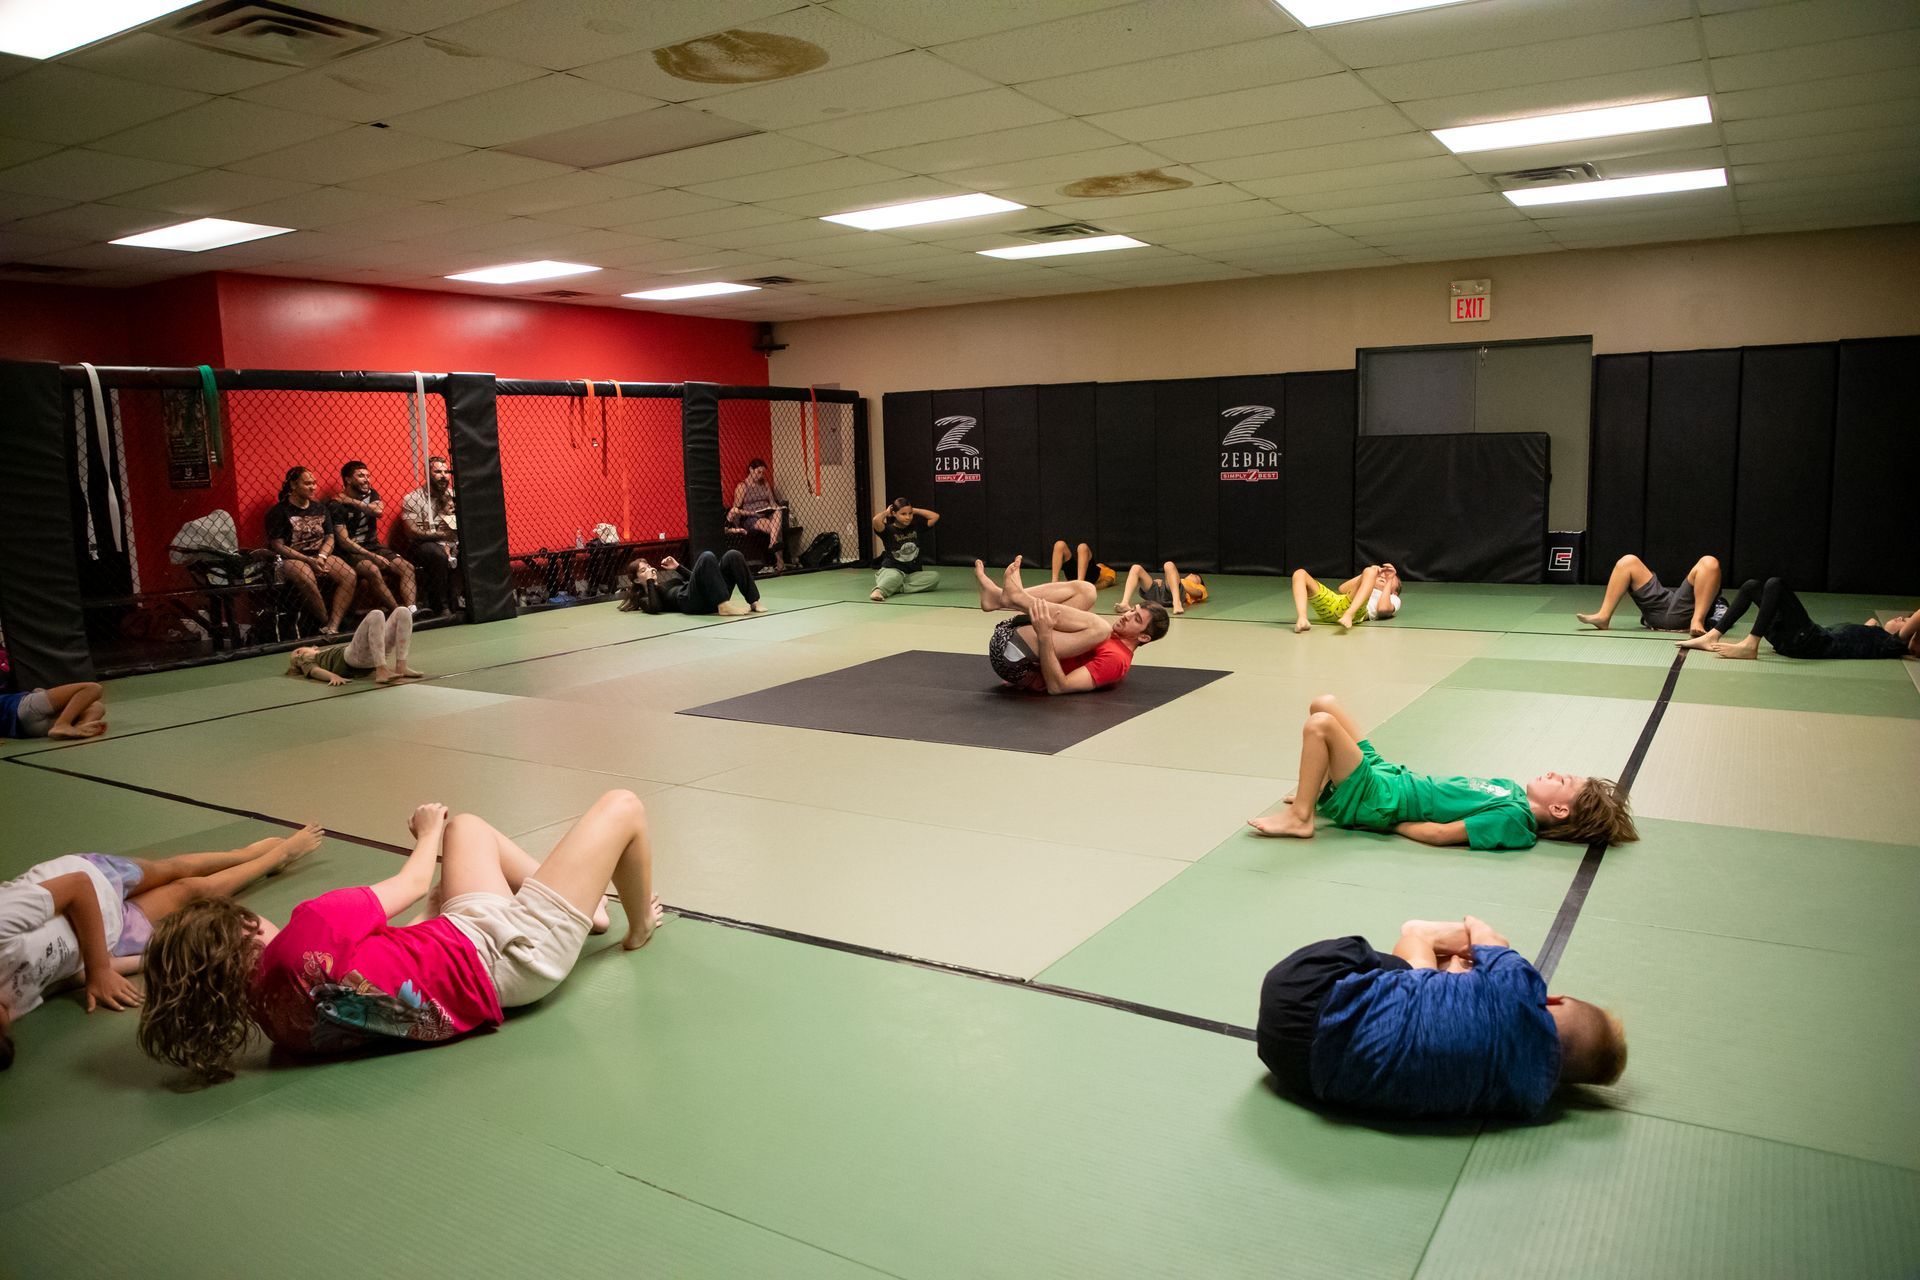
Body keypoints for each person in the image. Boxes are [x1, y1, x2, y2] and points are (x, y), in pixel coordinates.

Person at [138, 790, 661, 1084]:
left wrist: (428, 923)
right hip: (510, 953)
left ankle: (581, 912)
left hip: (464, 941)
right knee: (623, 806)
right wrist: (427, 828)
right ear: (246, 926)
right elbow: (413, 883)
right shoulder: (307, 931)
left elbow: (380, 986)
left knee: (471, 829)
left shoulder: (277, 1022)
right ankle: (635, 928)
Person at [0, 825, 319, 1070]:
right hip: (110, 939)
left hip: (92, 881)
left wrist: (98, 971)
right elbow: (61, 979)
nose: (8, 1015)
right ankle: (276, 858)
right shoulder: (10, 1010)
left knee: (173, 869)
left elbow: (77, 886)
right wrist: (149, 956)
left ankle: (245, 854)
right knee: (192, 890)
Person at [1256, 916, 1626, 1119]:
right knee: (1451, 1032)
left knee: (1377, 959)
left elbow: (1487, 932)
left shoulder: (1520, 985)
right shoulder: (1525, 1099)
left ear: (1553, 999)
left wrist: (1480, 942)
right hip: (1303, 1073)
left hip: (1299, 992)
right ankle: (1450, 978)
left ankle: (1426, 940)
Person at [1247, 694, 1637, 849]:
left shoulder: (1515, 821)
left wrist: (1387, 823)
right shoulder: (1510, 790)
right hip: (1393, 778)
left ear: (1560, 811)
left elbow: (1440, 834)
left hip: (1386, 800)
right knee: (1324, 703)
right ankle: (1315, 793)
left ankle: (1301, 816)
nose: (1554, 773)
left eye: (1562, 782)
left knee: (1321, 725)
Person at [976, 557, 1167, 695]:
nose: (1127, 616)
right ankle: (1002, 598)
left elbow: (1059, 687)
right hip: (1012, 632)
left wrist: (1044, 636)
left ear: (1143, 637)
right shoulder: (1110, 635)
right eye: (1132, 610)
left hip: (1014, 660)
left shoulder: (1117, 660)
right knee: (1087, 591)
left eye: (1137, 619)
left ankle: (1015, 599)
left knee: (1100, 628)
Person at [1677, 579, 1920, 661]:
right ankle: (1713, 635)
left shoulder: (1893, 643)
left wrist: (1905, 630)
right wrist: (1870, 626)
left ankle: (1751, 644)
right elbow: (1858, 636)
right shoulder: (1877, 638)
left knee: (1776, 584)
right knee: (1752, 586)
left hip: (1812, 641)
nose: (1900, 617)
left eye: (1904, 620)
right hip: (1799, 639)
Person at [267, 465, 357, 634]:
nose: (313, 487)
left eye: (314, 483)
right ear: (293, 486)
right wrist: (308, 560)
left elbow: (330, 537)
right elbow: (278, 545)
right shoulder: (279, 511)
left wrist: (322, 556)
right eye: (308, 484)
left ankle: (334, 626)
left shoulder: (320, 508)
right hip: (291, 558)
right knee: (306, 577)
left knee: (349, 575)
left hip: (319, 554)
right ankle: (325, 622)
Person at [331, 460, 416, 615]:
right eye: (361, 476)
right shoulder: (336, 505)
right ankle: (398, 612)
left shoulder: (370, 493)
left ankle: (412, 610)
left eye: (368, 476)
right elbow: (344, 542)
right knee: (372, 569)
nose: (367, 479)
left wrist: (352, 501)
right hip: (351, 551)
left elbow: (378, 512)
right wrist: (372, 556)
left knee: (407, 567)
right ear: (348, 480)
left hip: (373, 545)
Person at [1576, 552, 1726, 635]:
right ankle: (1603, 616)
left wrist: (1698, 618)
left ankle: (1697, 621)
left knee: (1709, 562)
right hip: (1658, 612)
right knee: (1628, 561)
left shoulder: (1717, 604)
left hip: (1688, 615)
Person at [287, 608, 424, 685]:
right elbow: (315, 671)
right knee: (376, 614)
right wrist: (332, 676)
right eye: (296, 656)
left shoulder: (322, 652)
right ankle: (382, 670)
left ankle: (401, 666)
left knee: (403, 611)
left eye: (298, 652)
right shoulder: (308, 659)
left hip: (373, 655)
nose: (299, 654)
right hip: (353, 659)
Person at [620, 551, 765, 617]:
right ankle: (724, 606)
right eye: (643, 570)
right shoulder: (645, 597)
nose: (650, 570)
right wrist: (650, 581)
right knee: (706, 556)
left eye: (649, 566)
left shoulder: (668, 583)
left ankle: (754, 601)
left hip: (709, 597)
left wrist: (678, 567)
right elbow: (655, 607)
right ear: (637, 580)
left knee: (733, 556)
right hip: (691, 602)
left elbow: (702, 577)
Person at [401, 455, 460, 617]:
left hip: (453, 540)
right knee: (436, 554)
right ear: (428, 474)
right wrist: (440, 534)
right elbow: (411, 531)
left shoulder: (455, 495)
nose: (443, 475)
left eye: (446, 471)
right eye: (437, 471)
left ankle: (464, 600)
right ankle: (442, 607)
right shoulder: (412, 498)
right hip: (422, 544)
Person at [1289, 563, 1401, 633]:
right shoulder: (1367, 582)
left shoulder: (1393, 598)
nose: (1384, 576)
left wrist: (1389, 580)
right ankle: (1302, 618)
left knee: (1369, 571)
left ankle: (1349, 614)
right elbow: (1342, 589)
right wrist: (1367, 574)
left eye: (1390, 578)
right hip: (1337, 602)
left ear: (1395, 592)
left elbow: (1383, 609)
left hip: (1357, 612)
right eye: (1382, 575)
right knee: (1300, 573)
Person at [870, 498, 941, 602]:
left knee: (934, 577)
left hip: (911, 574)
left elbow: (935, 516)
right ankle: (879, 590)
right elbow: (876, 520)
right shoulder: (887, 530)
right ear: (894, 513)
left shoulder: (916, 527)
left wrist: (914, 510)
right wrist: (886, 512)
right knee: (895, 577)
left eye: (910, 514)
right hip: (892, 569)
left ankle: (895, 587)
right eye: (903, 514)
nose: (908, 517)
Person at [727, 458, 787, 573]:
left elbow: (772, 502)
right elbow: (736, 507)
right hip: (752, 517)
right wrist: (735, 523)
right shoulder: (742, 486)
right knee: (775, 528)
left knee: (778, 513)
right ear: (751, 470)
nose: (761, 475)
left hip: (767, 513)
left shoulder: (765, 483)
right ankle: (780, 561)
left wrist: (776, 507)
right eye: (758, 472)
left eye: (763, 472)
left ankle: (772, 542)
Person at [0, 682, 108, 740]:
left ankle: (80, 727)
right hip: (20, 707)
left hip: (26, 729)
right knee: (93, 688)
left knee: (97, 707)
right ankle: (62, 724)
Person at [1120, 561, 1207, 616]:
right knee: (1136, 568)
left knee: (1168, 564)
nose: (1191, 574)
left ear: (1199, 582)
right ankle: (1125, 603)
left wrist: (1179, 581)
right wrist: (1161, 582)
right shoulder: (1174, 580)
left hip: (1175, 595)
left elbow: (1198, 593)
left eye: (1195, 576)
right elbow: (1168, 581)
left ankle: (1176, 603)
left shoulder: (1199, 587)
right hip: (1158, 593)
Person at [1049, 539, 1116, 589]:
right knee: (1059, 544)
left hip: (1089, 579)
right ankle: (1054, 582)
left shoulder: (1109, 571)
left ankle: (1080, 583)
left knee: (1082, 547)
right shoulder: (1088, 566)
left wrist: (1090, 587)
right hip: (1075, 578)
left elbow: (1108, 581)